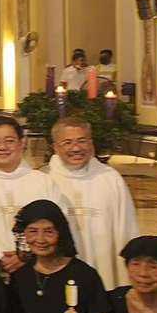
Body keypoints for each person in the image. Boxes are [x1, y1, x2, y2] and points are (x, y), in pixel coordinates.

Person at [0, 115, 70, 274]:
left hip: (38, 268)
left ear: (21, 143)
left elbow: (58, 225)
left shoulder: (43, 182)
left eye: (9, 141)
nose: (2, 147)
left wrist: (25, 256)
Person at [48, 116, 138, 289]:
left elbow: (127, 228)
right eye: (67, 142)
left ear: (92, 144)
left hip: (104, 268)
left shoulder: (110, 179)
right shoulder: (46, 180)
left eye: (82, 141)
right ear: (55, 148)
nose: (76, 148)